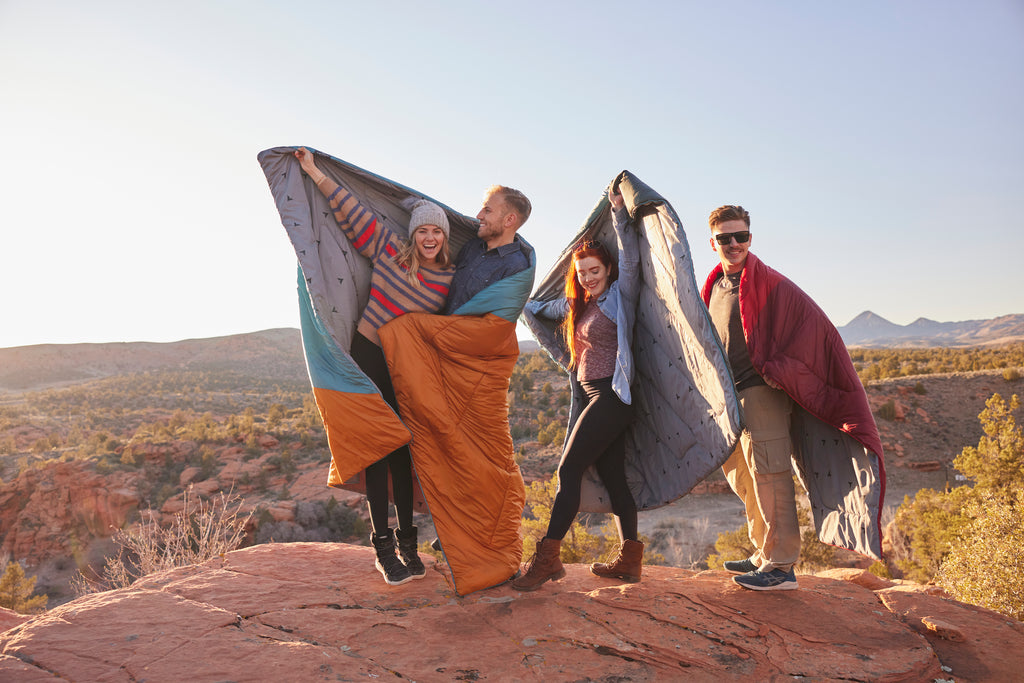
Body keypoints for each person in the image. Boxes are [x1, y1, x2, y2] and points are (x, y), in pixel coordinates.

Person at [702, 204, 884, 591]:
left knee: (770, 475)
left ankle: (781, 566)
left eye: (741, 236)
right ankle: (762, 551)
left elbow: (816, 332)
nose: (734, 244)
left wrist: (778, 369)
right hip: (727, 395)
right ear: (712, 242)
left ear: (751, 238)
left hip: (760, 392)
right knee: (742, 475)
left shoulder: (773, 284)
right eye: (725, 238)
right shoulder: (715, 285)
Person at [295, 147, 454, 586]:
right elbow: (351, 213)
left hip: (407, 371)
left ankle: (408, 543)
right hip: (369, 358)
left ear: (443, 238)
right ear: (412, 234)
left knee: (404, 455)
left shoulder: (448, 280)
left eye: (435, 232)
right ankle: (382, 549)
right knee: (377, 452)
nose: (428, 237)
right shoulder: (389, 251)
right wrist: (313, 171)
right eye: (421, 230)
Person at [512, 186, 641, 591]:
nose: (588, 278)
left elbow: (633, 261)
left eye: (595, 271)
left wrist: (618, 215)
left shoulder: (621, 295)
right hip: (589, 393)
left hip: (613, 396)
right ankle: (630, 561)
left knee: (568, 469)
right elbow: (533, 310)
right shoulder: (575, 305)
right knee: (613, 477)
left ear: (607, 272)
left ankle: (548, 559)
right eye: (582, 272)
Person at [443, 184, 533, 314]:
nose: (478, 216)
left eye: (487, 210)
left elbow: (493, 323)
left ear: (509, 220)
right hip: (437, 327)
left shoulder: (516, 268)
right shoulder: (472, 246)